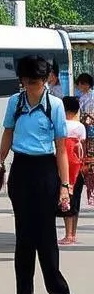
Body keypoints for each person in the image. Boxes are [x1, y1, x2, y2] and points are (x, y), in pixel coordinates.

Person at [0, 55, 86, 294]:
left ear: (45, 80)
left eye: (37, 82)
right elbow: (8, 133)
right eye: (28, 82)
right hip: (21, 170)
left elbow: (60, 148)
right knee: (24, 237)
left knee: (45, 237)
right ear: (21, 81)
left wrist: (65, 185)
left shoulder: (55, 105)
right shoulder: (15, 103)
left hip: (46, 170)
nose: (33, 87)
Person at [59, 96, 86, 246]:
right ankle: (73, 233)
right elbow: (83, 145)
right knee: (75, 200)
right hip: (78, 168)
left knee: (66, 199)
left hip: (65, 169)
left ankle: (67, 234)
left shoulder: (61, 125)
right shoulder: (80, 126)